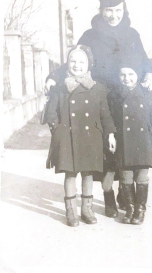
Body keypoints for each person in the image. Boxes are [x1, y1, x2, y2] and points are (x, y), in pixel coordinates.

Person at [45, 0, 152, 214]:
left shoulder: (132, 35)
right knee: (106, 151)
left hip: (125, 100)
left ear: (124, 10)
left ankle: (123, 194)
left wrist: (149, 74)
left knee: (126, 148)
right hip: (99, 100)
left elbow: (145, 62)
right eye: (109, 10)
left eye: (118, 10)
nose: (113, 15)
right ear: (101, 11)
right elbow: (75, 60)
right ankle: (108, 195)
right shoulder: (90, 36)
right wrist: (53, 77)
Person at [44, 45, 116, 227]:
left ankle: (87, 209)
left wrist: (110, 134)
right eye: (73, 61)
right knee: (70, 173)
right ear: (67, 64)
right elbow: (51, 112)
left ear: (89, 65)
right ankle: (71, 211)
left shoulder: (98, 88)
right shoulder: (60, 87)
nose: (77, 65)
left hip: (91, 136)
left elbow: (105, 114)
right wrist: (57, 131)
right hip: (67, 136)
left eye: (82, 61)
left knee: (88, 173)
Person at [105, 63, 152, 225]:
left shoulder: (147, 94)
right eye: (122, 75)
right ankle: (129, 208)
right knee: (125, 176)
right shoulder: (114, 95)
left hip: (143, 141)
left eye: (131, 74)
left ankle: (140, 209)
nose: (127, 78)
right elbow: (109, 118)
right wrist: (110, 135)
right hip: (123, 142)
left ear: (138, 75)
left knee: (141, 176)